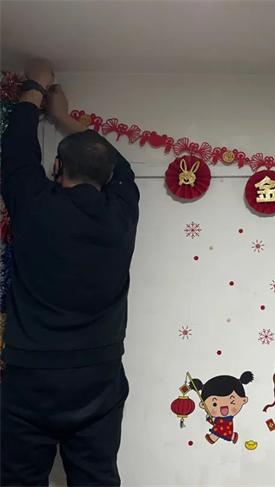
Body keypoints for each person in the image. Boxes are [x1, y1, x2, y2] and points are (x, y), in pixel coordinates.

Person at [0, 60, 139, 486]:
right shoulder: (123, 209)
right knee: (96, 478)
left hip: (31, 374)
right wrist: (63, 116)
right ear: (109, 177)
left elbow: (16, 149)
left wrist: (35, 88)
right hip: (99, 375)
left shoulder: (34, 203)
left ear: (57, 168)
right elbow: (116, 163)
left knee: (18, 480)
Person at [189, 371, 254, 445]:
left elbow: (214, 421)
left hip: (225, 424)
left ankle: (220, 437)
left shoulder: (225, 418)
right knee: (222, 431)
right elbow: (214, 421)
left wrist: (211, 419)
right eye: (214, 404)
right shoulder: (219, 418)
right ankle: (231, 436)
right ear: (203, 405)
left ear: (243, 400)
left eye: (232, 402)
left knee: (219, 431)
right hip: (223, 424)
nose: (224, 408)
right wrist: (211, 419)